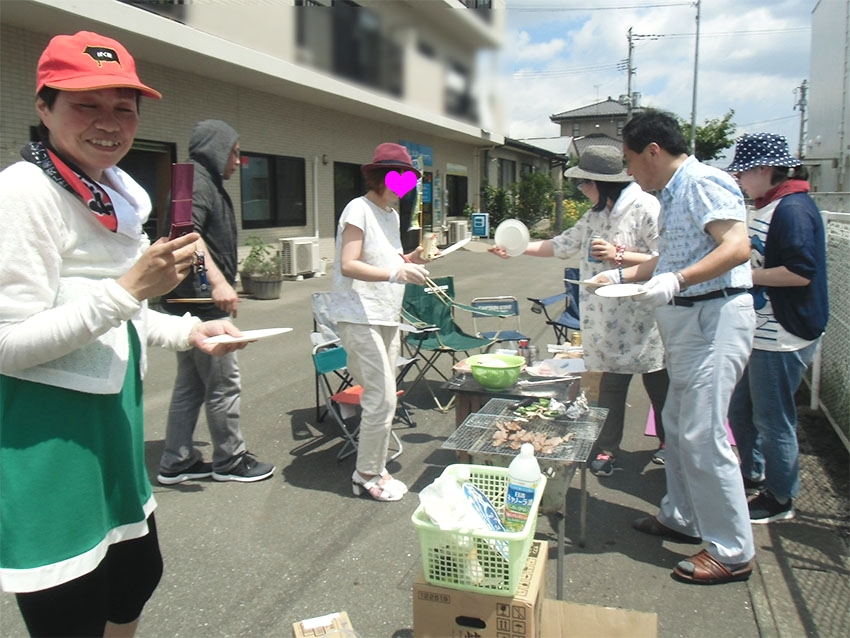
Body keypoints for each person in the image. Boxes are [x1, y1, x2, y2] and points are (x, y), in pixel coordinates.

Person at [0, 31, 249, 636]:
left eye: (123, 107)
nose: (108, 122)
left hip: (116, 424)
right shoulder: (24, 194)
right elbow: (8, 345)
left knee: (136, 578)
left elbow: (125, 317)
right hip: (48, 438)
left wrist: (191, 333)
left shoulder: (114, 193)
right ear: (44, 106)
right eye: (86, 104)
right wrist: (127, 289)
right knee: (72, 616)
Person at [597, 109, 756, 585]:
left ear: (653, 151)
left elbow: (736, 247)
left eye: (628, 160)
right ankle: (682, 517)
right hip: (689, 319)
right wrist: (621, 275)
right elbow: (671, 258)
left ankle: (732, 551)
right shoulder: (670, 193)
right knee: (677, 424)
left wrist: (677, 281)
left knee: (705, 433)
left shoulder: (702, 181)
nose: (628, 171)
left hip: (715, 313)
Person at [490, 145, 668, 476]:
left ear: (602, 182)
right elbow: (560, 245)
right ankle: (606, 449)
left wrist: (619, 254)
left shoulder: (646, 207)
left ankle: (669, 443)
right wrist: (514, 249)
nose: (580, 189)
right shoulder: (595, 215)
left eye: (583, 183)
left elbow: (668, 259)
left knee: (658, 382)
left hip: (643, 317)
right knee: (611, 386)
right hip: (606, 319)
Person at [158, 120, 275, 484]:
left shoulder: (201, 180)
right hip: (199, 304)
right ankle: (230, 460)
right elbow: (185, 235)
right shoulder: (195, 181)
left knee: (190, 385)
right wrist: (219, 281)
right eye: (236, 152)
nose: (238, 162)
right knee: (224, 383)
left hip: (187, 302)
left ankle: (176, 460)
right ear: (217, 148)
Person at [725, 133, 829, 523]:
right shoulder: (771, 204)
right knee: (741, 410)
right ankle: (752, 474)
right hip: (763, 330)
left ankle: (780, 497)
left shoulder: (793, 210)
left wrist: (746, 277)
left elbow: (801, 273)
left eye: (742, 171)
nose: (738, 179)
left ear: (765, 169)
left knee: (773, 419)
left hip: (782, 334)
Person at [329, 143, 432, 502]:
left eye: (410, 178)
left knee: (382, 397)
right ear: (381, 175)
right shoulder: (358, 208)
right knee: (383, 398)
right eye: (401, 175)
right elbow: (349, 263)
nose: (406, 183)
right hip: (359, 315)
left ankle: (374, 464)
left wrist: (413, 257)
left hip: (387, 314)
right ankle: (366, 474)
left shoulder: (390, 214)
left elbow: (389, 258)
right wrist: (395, 272)